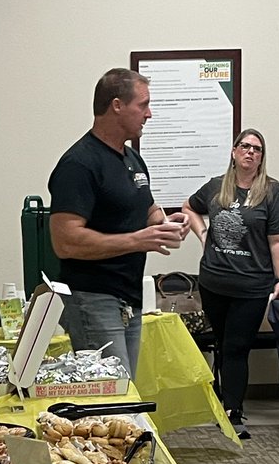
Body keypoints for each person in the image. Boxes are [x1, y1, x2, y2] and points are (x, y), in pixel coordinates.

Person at [48, 68, 188, 379]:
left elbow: (148, 208)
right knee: (110, 395)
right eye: (143, 105)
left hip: (128, 296)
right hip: (93, 298)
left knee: (124, 390)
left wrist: (166, 224)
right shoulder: (79, 164)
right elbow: (65, 242)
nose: (149, 114)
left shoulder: (132, 159)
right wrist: (139, 240)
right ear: (117, 105)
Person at [182, 130, 279, 439]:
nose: (250, 152)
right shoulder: (217, 188)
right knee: (222, 342)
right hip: (214, 281)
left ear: (261, 157)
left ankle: (233, 412)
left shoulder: (271, 191)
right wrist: (202, 235)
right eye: (245, 146)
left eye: (257, 149)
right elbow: (188, 207)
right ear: (234, 151)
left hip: (252, 286)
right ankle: (224, 399)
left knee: (237, 347)